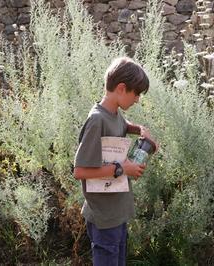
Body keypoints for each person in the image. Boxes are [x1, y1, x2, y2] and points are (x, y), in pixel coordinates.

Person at [73, 56, 156, 266]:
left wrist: (135, 129)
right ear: (121, 88)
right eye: (136, 93)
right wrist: (122, 169)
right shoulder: (96, 120)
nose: (137, 99)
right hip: (103, 216)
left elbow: (119, 123)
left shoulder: (113, 113)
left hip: (116, 211)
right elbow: (80, 171)